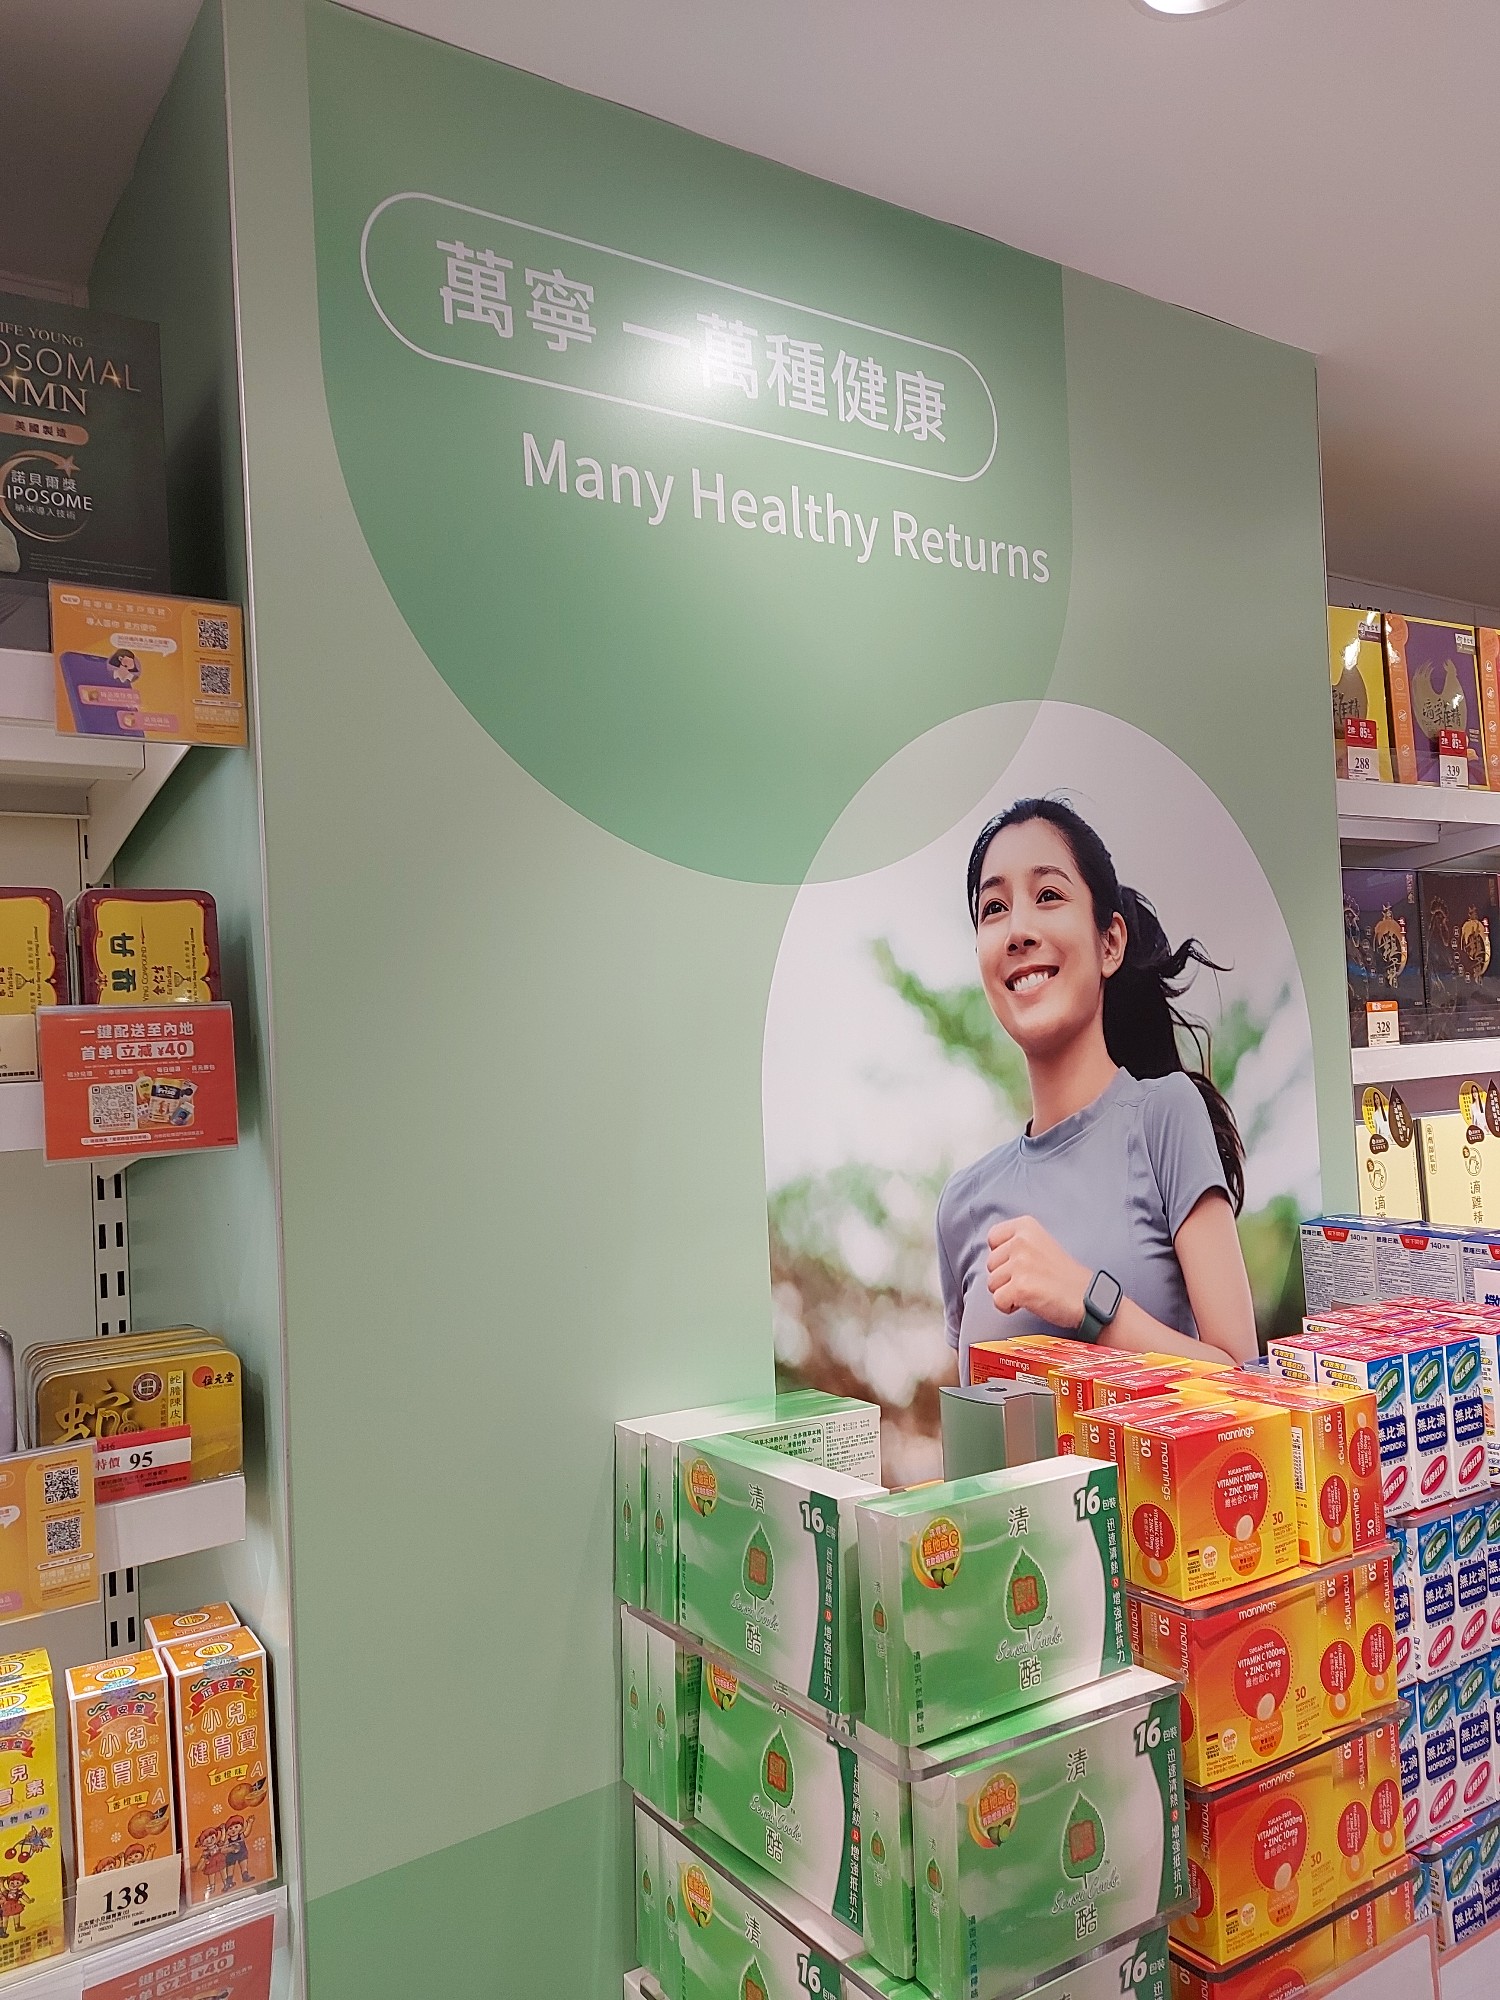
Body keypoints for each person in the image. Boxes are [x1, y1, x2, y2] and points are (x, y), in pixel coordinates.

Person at [936, 796, 1259, 1377]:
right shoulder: (962, 1204)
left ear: (1109, 943)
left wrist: (1088, 1302)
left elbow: (1244, 1382)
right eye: (994, 908)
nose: (1018, 931)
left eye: (1048, 895)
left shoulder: (1165, 1117)